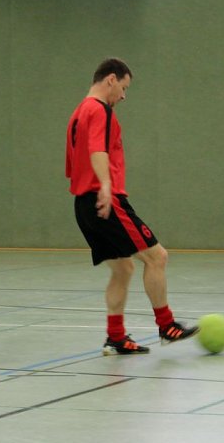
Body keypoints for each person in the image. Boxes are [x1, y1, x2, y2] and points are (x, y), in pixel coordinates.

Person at [65, 57, 198, 356]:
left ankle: (115, 337)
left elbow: (74, 163)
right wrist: (106, 185)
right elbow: (96, 149)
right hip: (105, 200)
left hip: (83, 204)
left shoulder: (78, 112)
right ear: (111, 79)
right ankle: (167, 326)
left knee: (124, 268)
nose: (123, 96)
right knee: (157, 257)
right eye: (123, 88)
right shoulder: (99, 110)